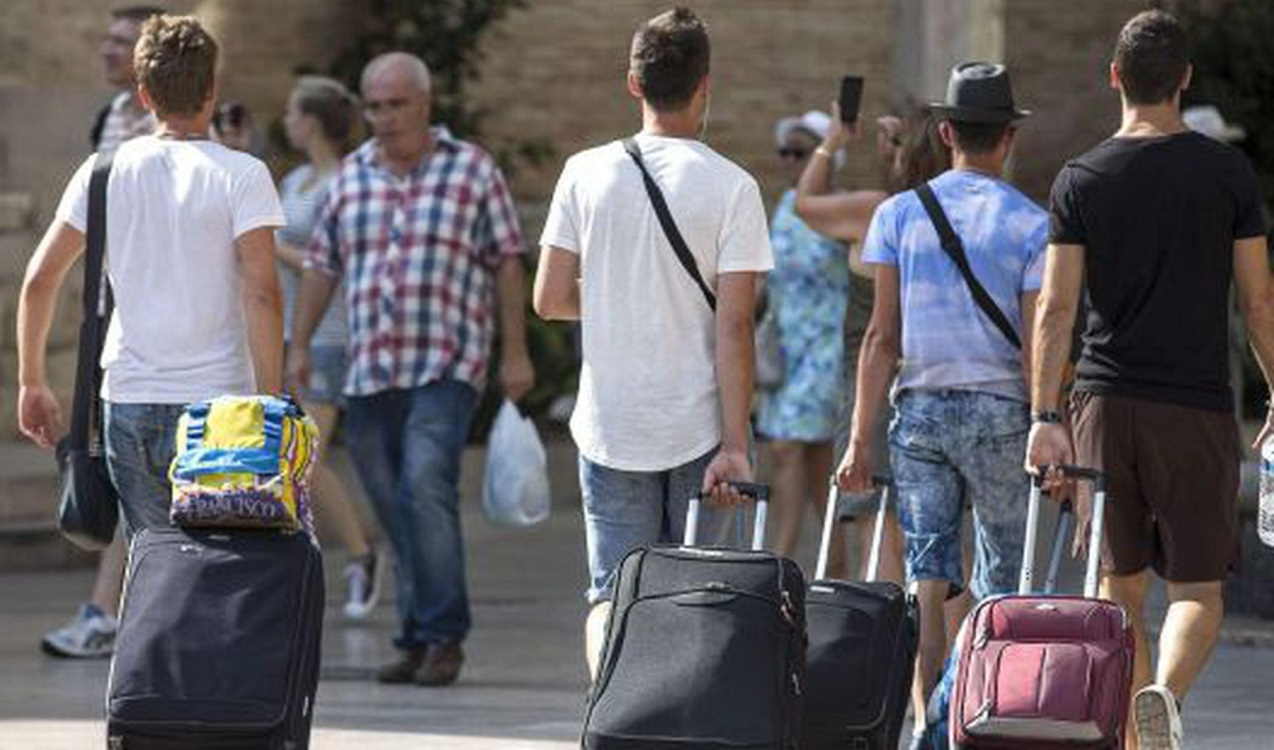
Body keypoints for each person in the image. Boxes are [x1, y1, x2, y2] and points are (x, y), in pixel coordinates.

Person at [1027, 11, 1274, 750]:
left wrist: (1045, 412)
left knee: (1117, 590)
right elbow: (1259, 298)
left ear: (1114, 78)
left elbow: (1055, 306)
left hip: (1103, 404)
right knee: (1198, 590)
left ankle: (1136, 738)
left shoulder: (1080, 177)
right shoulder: (1226, 173)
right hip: (1194, 407)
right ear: (1185, 80)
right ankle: (1165, 694)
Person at [533, 6, 772, 680]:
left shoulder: (584, 172)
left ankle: (612, 719)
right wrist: (734, 443)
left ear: (633, 85)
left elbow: (549, 299)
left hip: (610, 426)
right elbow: (734, 325)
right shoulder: (733, 187)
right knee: (698, 598)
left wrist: (613, 299)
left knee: (613, 597)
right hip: (701, 430)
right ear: (705, 87)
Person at [286, 51, 535, 687]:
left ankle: (444, 635)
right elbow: (321, 266)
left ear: (425, 104)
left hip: (446, 364)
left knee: (426, 486)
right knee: (394, 507)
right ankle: (417, 633)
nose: (384, 117)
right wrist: (299, 344)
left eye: (396, 105)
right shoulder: (350, 179)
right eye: (374, 106)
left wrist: (515, 352)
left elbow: (508, 260)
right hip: (369, 370)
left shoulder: (472, 170)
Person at [836, 62, 1046, 744]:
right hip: (1002, 412)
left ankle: (928, 726)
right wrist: (1051, 420)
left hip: (919, 412)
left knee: (928, 579)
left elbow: (880, 335)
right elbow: (1035, 343)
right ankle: (970, 713)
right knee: (1002, 577)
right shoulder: (1032, 223)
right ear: (1008, 138)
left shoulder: (897, 215)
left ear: (948, 131)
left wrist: (859, 439)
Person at [17, 12, 284, 536]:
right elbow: (263, 295)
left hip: (131, 400)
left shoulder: (102, 172)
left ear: (143, 95)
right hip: (222, 403)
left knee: (152, 558)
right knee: (219, 562)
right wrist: (270, 402)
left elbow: (39, 280)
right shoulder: (244, 176)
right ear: (212, 89)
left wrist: (31, 380)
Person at [41, 3, 163, 661]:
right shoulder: (110, 120)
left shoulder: (171, 130)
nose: (107, 51)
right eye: (107, 39)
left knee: (129, 461)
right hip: (109, 311)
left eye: (123, 42)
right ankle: (113, 608)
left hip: (151, 318)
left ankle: (109, 609)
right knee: (112, 460)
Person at [796, 104, 952, 588]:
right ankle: (947, 662)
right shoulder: (955, 214)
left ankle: (887, 657)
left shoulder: (874, 211)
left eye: (890, 139)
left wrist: (833, 142)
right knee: (943, 540)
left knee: (877, 524)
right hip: (940, 384)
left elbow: (805, 201)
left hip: (873, 385)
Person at [277, 75, 383, 620]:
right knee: (289, 458)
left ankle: (362, 555)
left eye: (293, 113)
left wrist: (279, 249)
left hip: (333, 336)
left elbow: (338, 265)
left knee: (303, 457)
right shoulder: (293, 180)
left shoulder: (343, 183)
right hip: (291, 335)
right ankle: (319, 558)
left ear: (312, 120)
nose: (286, 122)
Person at [757, 110, 850, 577]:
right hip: (787, 347)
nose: (791, 162)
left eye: (802, 152)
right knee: (813, 461)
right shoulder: (783, 206)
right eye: (785, 153)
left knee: (787, 450)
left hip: (825, 348)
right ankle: (833, 560)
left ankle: (780, 557)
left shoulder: (838, 208)